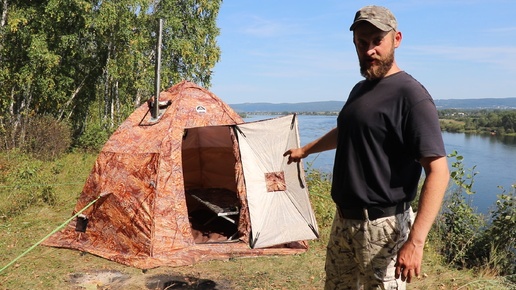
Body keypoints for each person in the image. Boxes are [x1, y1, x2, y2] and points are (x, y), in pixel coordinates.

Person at [284, 5, 450, 290]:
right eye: (362, 42)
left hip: (383, 227)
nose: (369, 49)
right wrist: (306, 150)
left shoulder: (411, 96)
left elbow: (439, 171)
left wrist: (416, 241)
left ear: (396, 40)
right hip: (344, 221)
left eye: (377, 41)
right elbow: (349, 130)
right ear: (354, 43)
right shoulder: (360, 89)